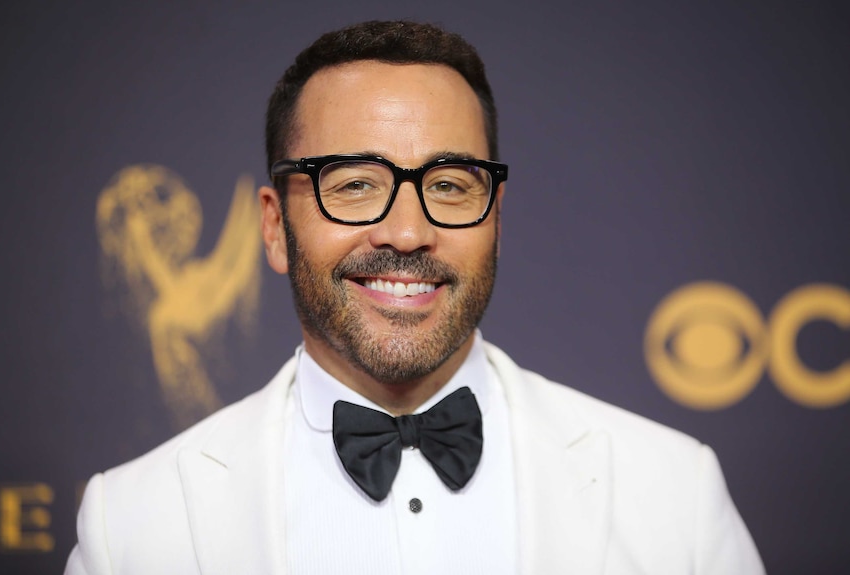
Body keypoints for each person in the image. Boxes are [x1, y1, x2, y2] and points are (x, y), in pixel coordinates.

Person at [65, 20, 765, 574]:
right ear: (275, 229)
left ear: (496, 217)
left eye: (450, 184)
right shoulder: (130, 523)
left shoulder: (674, 490)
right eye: (355, 184)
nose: (408, 230)